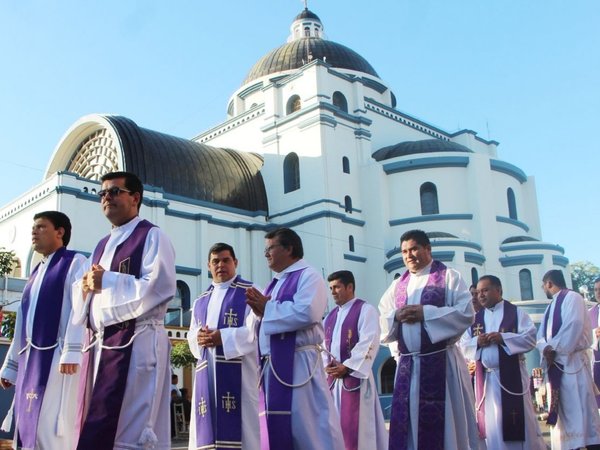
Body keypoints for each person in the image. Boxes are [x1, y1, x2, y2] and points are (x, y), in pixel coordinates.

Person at [72, 171, 176, 449]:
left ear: (135, 198)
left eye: (115, 191)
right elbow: (88, 296)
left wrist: (107, 280)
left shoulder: (152, 236)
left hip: (138, 343)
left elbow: (159, 287)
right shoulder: (101, 245)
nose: (107, 197)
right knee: (101, 419)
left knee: (131, 426)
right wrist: (84, 286)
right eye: (102, 193)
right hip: (102, 346)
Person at [378, 229, 480, 450]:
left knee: (447, 429)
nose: (409, 255)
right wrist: (396, 316)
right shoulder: (397, 285)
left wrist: (427, 313)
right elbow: (382, 317)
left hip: (441, 363)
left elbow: (466, 313)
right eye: (405, 251)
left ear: (427, 249)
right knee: (409, 424)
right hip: (407, 366)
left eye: (414, 249)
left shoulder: (449, 277)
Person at [246, 227, 344, 450]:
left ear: (289, 248)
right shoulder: (274, 282)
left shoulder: (309, 276)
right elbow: (264, 321)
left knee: (308, 427)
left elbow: (308, 312)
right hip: (273, 366)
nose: (266, 254)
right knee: (281, 428)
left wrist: (267, 309)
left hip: (299, 363)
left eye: (271, 248)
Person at [0, 211, 85, 450]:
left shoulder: (75, 262)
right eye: (33, 228)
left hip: (58, 359)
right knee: (28, 426)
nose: (34, 232)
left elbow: (82, 307)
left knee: (50, 428)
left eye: (41, 227)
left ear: (60, 232)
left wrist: (72, 351)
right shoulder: (36, 273)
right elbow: (22, 323)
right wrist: (11, 366)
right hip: (31, 360)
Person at [187, 242, 260, 450]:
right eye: (215, 261)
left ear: (235, 262)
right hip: (207, 375)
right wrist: (198, 338)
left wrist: (223, 337)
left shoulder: (251, 292)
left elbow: (255, 331)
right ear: (208, 266)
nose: (221, 265)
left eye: (226, 260)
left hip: (241, 375)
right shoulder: (200, 301)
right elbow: (191, 335)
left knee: (245, 431)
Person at [461, 275, 545, 450]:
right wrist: (478, 342)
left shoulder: (515, 313)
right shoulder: (475, 319)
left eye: (485, 290)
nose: (480, 295)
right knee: (493, 424)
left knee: (518, 421)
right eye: (478, 292)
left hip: (511, 377)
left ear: (498, 290)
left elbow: (530, 338)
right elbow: (462, 345)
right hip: (486, 382)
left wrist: (503, 338)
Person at [322, 270, 387, 450]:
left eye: (337, 287)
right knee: (334, 429)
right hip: (333, 383)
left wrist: (348, 367)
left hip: (355, 379)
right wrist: (325, 366)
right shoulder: (329, 317)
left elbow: (369, 340)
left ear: (350, 287)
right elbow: (322, 347)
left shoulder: (365, 310)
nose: (333, 292)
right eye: (331, 288)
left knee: (360, 431)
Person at [537, 269, 600, 449]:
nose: (544, 290)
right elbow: (540, 335)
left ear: (549, 284)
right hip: (556, 365)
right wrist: (545, 348)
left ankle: (588, 443)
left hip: (573, 364)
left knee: (581, 410)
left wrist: (553, 349)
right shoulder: (549, 307)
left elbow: (575, 325)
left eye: (544, 286)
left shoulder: (573, 298)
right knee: (565, 416)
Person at [590, 277, 600, 408]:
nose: (598, 292)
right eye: (596, 290)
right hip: (597, 364)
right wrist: (594, 334)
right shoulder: (589, 314)